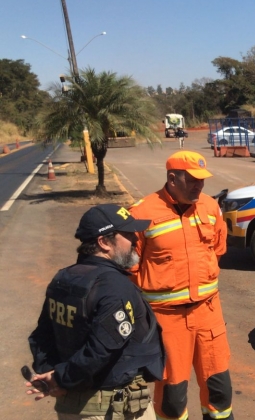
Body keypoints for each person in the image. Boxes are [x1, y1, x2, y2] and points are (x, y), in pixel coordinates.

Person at [27, 204, 164, 420]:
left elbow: (41, 338)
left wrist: (53, 376)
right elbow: (100, 350)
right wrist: (60, 379)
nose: (136, 240)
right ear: (104, 242)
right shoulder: (115, 286)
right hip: (110, 410)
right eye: (128, 234)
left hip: (72, 406)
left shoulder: (63, 278)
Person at [129, 151, 232, 420]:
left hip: (209, 314)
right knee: (172, 399)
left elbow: (218, 250)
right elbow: (129, 271)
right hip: (167, 320)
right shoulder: (140, 214)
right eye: (193, 180)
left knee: (219, 389)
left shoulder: (210, 208)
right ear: (172, 179)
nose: (200, 185)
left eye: (202, 180)